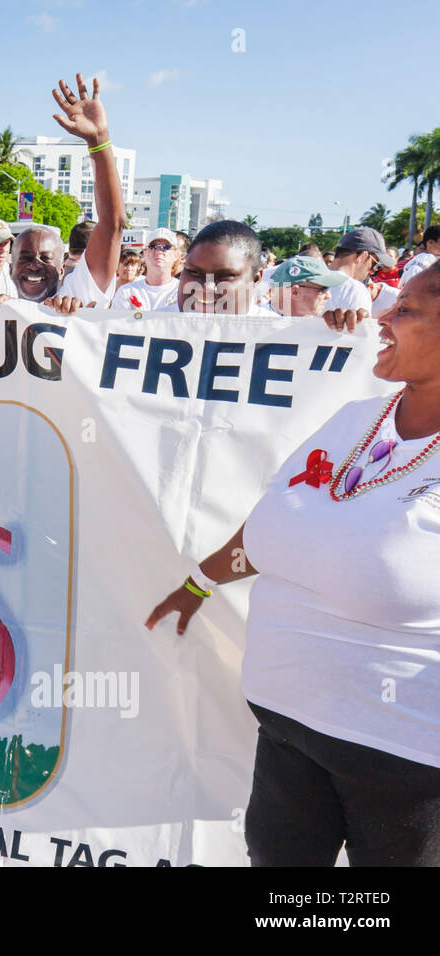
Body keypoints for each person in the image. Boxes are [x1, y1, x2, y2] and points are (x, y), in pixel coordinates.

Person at [145, 265, 440, 865]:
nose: (383, 316)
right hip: (287, 731)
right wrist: (197, 585)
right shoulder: (355, 420)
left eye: (406, 310)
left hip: (407, 762)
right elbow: (271, 527)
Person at [10, 74, 123, 311]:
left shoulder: (77, 294)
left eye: (46, 258)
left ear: (62, 268)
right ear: (10, 267)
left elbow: (112, 224)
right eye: (25, 257)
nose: (34, 265)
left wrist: (98, 140)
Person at [110, 228, 179, 311]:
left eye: (166, 247)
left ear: (176, 255)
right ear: (145, 253)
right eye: (153, 247)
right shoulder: (126, 292)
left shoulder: (182, 292)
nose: (159, 251)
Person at [264, 255, 349, 317]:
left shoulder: (324, 324)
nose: (329, 296)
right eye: (323, 289)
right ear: (295, 292)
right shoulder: (257, 324)